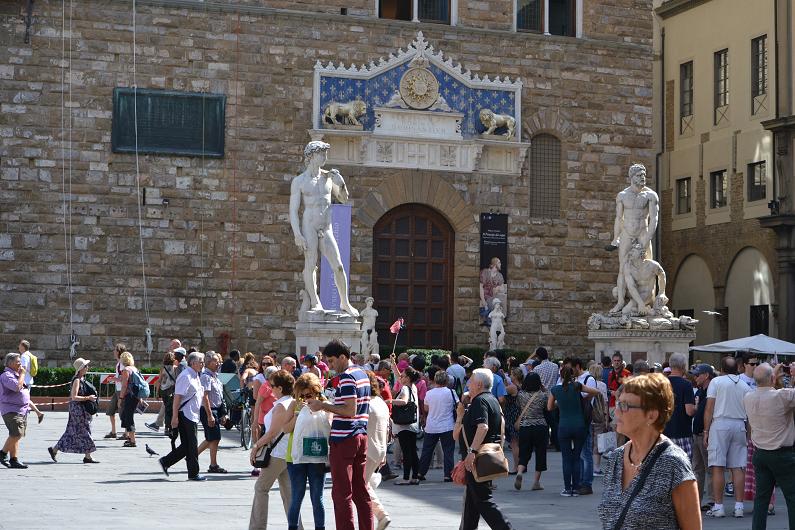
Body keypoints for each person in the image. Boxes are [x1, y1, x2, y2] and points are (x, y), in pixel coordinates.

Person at [598, 373, 700, 530]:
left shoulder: (673, 463)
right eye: (618, 404)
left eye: (625, 406)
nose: (617, 412)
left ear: (651, 415)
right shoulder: (616, 458)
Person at [306, 339, 372, 530]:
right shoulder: (363, 374)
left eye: (333, 361)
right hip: (361, 435)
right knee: (361, 491)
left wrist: (322, 405)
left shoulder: (347, 377)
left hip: (345, 438)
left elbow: (349, 409)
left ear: (343, 357)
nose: (331, 366)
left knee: (342, 493)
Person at [290, 140, 359, 316]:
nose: (325, 157)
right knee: (311, 265)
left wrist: (341, 183)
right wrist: (297, 234)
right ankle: (315, 301)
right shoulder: (299, 181)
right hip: (309, 226)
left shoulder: (329, 177)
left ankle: (345, 302)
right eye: (321, 153)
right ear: (311, 156)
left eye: (326, 153)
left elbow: (343, 199)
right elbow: (293, 210)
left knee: (339, 266)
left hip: (326, 227)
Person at [460, 368, 513, 530]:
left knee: (483, 501)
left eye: (471, 380)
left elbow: (482, 427)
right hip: (485, 456)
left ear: (479, 384)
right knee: (472, 501)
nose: (468, 383)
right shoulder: (492, 399)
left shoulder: (480, 401)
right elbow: (501, 426)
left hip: (478, 458)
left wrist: (472, 452)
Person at [744, 362, 795, 530]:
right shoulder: (781, 396)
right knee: (792, 498)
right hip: (782, 454)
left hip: (760, 454)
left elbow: (766, 386)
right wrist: (793, 375)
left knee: (761, 500)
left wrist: (772, 375)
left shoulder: (748, 397)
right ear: (773, 378)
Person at [607, 163, 659, 314]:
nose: (642, 178)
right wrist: (616, 238)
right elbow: (619, 218)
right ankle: (621, 302)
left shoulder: (651, 195)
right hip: (627, 235)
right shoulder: (622, 196)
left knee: (648, 266)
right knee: (623, 268)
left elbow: (654, 220)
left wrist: (647, 239)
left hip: (643, 233)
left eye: (643, 175)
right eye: (638, 175)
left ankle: (650, 301)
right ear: (631, 177)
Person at [249, 370, 297, 530]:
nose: (271, 389)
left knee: (261, 488)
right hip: (286, 453)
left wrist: (256, 446)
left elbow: (272, 433)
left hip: (277, 454)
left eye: (273, 386)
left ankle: (257, 527)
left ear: (281, 388)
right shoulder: (290, 402)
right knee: (289, 495)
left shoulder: (282, 406)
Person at [704, 356, 752, 518]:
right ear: (738, 368)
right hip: (739, 424)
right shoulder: (745, 386)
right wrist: (749, 433)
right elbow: (749, 413)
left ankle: (719, 506)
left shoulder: (716, 382)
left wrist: (705, 431)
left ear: (722, 369)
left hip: (720, 424)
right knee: (738, 467)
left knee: (718, 465)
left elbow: (709, 409)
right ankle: (739, 506)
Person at [285, 372, 330, 530]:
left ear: (316, 391)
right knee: (297, 496)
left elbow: (329, 428)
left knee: (317, 497)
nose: (305, 398)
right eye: (301, 395)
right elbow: (285, 429)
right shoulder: (294, 404)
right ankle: (292, 527)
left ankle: (320, 527)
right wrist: (298, 414)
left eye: (309, 394)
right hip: (295, 456)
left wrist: (321, 410)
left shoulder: (325, 404)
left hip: (317, 456)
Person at [547, 365, 600, 497]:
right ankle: (576, 487)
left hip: (564, 425)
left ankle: (567, 488)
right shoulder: (577, 386)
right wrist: (585, 398)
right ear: (573, 375)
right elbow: (595, 391)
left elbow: (549, 407)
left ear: (560, 375)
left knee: (566, 458)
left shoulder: (555, 389)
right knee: (577, 457)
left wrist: (559, 403)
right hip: (579, 425)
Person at [159, 352, 208, 481]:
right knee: (192, 445)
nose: (203, 364)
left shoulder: (195, 375)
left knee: (187, 445)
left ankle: (165, 461)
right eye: (201, 361)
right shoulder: (185, 376)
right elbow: (177, 397)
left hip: (192, 414)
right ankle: (193, 473)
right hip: (185, 414)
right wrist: (174, 417)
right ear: (193, 363)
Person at [48, 357, 98, 464]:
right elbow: (74, 397)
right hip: (77, 410)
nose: (87, 367)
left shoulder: (82, 379)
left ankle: (54, 449)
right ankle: (88, 456)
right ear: (80, 369)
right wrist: (88, 398)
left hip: (81, 409)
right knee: (84, 430)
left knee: (71, 432)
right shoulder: (77, 380)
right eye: (85, 366)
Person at [418, 370, 458, 482]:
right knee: (448, 451)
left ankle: (421, 472)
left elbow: (426, 408)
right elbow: (457, 405)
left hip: (431, 426)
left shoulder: (429, 393)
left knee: (427, 450)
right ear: (447, 381)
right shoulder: (451, 392)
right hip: (447, 425)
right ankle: (448, 474)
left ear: (435, 380)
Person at [364, 372, 391, 530]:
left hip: (369, 449)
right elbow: (386, 429)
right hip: (379, 449)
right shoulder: (380, 402)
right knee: (363, 484)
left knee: (360, 486)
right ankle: (380, 516)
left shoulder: (367, 404)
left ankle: (381, 515)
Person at [513, 372, 548, 491]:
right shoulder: (543, 395)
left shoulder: (521, 395)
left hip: (525, 426)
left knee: (524, 451)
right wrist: (544, 389)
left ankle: (520, 472)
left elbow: (518, 406)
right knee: (540, 453)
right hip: (540, 426)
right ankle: (536, 482)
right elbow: (547, 406)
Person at [690, 363, 715, 511]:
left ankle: (713, 501)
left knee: (710, 468)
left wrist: (707, 432)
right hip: (696, 434)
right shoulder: (699, 391)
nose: (695, 377)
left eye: (697, 375)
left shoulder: (712, 391)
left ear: (706, 375)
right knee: (697, 469)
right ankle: (696, 501)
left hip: (706, 434)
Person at [0, 352, 31, 468]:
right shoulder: (7, 375)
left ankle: (14, 459)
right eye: (18, 362)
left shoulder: (15, 374)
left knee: (14, 435)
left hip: (20, 410)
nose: (20, 364)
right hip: (11, 409)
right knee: (17, 434)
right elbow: (17, 388)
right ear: (10, 363)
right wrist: (23, 374)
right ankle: (2, 453)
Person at [197, 352, 227, 473]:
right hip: (208, 410)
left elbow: (219, 396)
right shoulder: (206, 377)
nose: (218, 363)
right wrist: (210, 415)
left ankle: (210, 463)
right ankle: (210, 463)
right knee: (213, 438)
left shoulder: (215, 376)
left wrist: (223, 413)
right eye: (216, 361)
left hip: (215, 410)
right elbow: (205, 397)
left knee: (213, 438)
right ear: (208, 362)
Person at [391, 365, 421, 485]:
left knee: (406, 451)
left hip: (404, 425)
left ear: (407, 378)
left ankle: (406, 478)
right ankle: (414, 477)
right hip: (413, 424)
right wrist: (394, 365)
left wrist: (390, 401)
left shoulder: (404, 389)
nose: (400, 378)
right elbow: (399, 377)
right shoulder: (413, 387)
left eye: (403, 376)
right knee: (413, 451)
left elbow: (404, 401)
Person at [663, 352, 696, 459]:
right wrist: (698, 406)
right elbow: (689, 411)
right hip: (682, 433)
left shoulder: (661, 384)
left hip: (664, 433)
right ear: (683, 366)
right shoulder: (686, 385)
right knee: (683, 470)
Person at [573, 358, 598, 495]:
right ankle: (581, 481)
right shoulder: (574, 379)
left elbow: (590, 396)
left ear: (578, 366)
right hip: (576, 420)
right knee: (580, 453)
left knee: (586, 452)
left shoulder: (589, 378)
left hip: (584, 419)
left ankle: (587, 483)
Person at [147, 351, 177, 433]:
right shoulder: (175, 368)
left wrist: (157, 393)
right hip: (171, 390)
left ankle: (166, 428)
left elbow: (159, 381)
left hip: (163, 391)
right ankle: (169, 428)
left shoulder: (163, 368)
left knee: (167, 409)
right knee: (170, 410)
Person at [17, 340, 44, 423]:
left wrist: (18, 376)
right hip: (29, 380)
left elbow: (23, 368)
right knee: (25, 399)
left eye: (20, 345)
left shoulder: (24, 356)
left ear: (23, 346)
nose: (18, 347)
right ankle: (38, 413)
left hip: (24, 381)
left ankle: (24, 416)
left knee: (24, 399)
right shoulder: (30, 355)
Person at [117, 351, 141, 447]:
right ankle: (130, 438)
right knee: (127, 416)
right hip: (135, 396)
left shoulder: (126, 370)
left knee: (128, 417)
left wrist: (120, 398)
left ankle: (133, 441)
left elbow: (124, 386)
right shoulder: (135, 369)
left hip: (129, 396)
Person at [104, 343, 126, 440]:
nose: (113, 352)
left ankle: (126, 433)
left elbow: (122, 378)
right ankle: (113, 432)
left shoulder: (121, 364)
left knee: (122, 412)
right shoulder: (119, 363)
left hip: (121, 391)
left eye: (115, 350)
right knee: (110, 410)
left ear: (119, 352)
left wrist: (112, 379)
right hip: (118, 390)